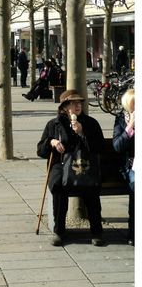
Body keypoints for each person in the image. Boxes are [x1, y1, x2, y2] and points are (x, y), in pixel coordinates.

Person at [37, 90, 106, 246]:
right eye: (73, 103)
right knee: (58, 185)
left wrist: (82, 132)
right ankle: (59, 231)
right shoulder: (54, 124)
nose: (78, 105)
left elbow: (99, 146)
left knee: (91, 188)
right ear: (64, 107)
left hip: (85, 166)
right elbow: (40, 151)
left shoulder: (90, 123)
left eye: (79, 102)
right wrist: (51, 142)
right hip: (61, 166)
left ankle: (96, 231)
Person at [113, 88, 134, 245]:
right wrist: (131, 127)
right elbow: (118, 146)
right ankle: (133, 233)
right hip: (130, 166)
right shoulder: (121, 120)